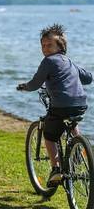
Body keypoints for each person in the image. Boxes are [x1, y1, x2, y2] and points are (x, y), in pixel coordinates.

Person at [17, 24, 92, 187]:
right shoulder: (69, 61)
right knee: (71, 120)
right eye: (42, 45)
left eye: (49, 45)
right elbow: (88, 78)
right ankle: (78, 149)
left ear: (60, 46)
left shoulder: (48, 61)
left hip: (60, 105)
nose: (45, 48)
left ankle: (56, 169)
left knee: (50, 136)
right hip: (80, 103)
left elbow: (36, 83)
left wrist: (24, 86)